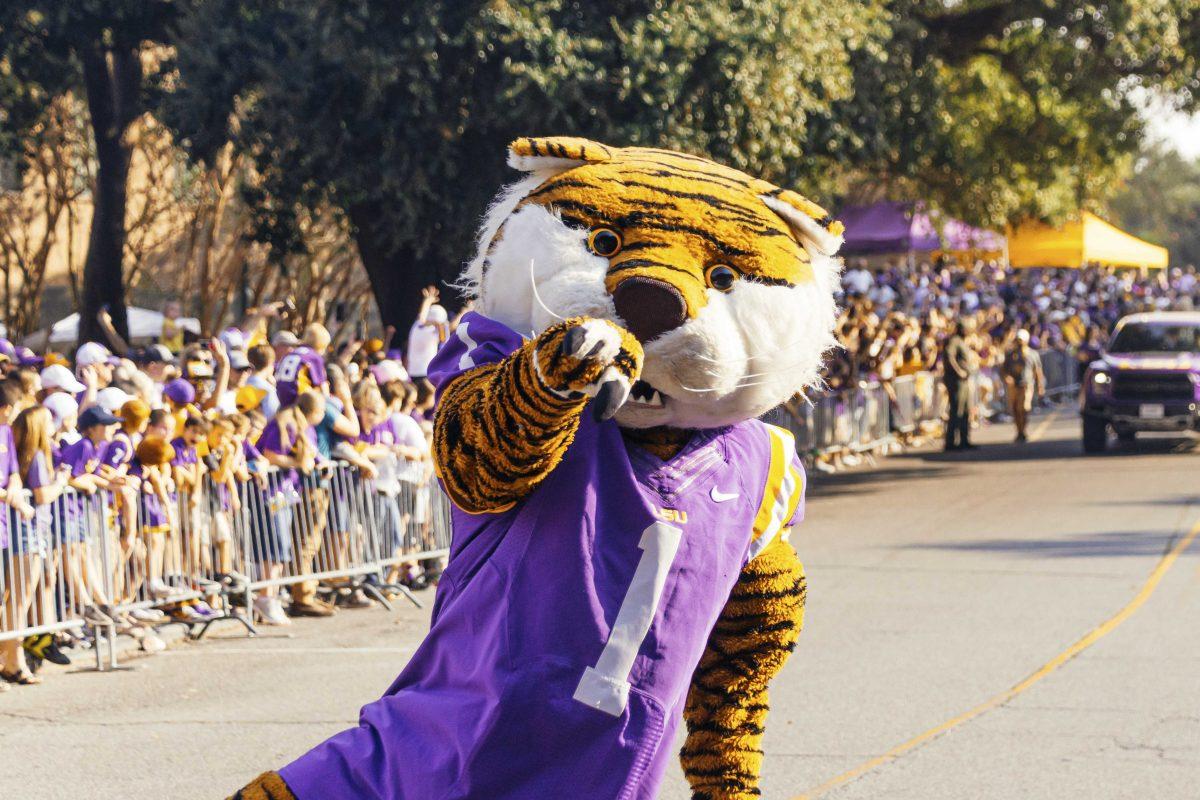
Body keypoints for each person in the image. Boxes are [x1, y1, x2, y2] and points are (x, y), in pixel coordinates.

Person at [1002, 329, 1045, 443]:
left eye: (1021, 340)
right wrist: (1007, 377)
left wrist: (1040, 385)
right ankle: (1019, 431)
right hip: (1013, 386)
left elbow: (1038, 371)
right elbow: (1004, 369)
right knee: (1015, 409)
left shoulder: (1032, 354)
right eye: (1017, 340)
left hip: (1026, 385)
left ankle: (1023, 430)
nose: (1019, 342)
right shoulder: (1011, 354)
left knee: (1024, 408)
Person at [941, 319, 978, 450]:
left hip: (964, 381)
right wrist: (959, 371)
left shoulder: (962, 342)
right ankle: (950, 442)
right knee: (957, 410)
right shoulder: (954, 341)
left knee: (966, 411)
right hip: (956, 381)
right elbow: (949, 355)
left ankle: (964, 440)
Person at [405, 285, 448, 379]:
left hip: (413, 372)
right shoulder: (431, 332)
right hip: (426, 373)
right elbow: (422, 318)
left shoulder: (416, 328)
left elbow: (421, 317)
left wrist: (427, 301)